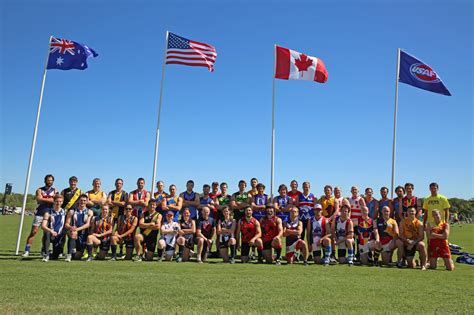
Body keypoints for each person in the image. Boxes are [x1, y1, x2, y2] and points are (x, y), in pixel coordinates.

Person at [23, 174, 58, 258]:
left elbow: (55, 200)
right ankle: (27, 250)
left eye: (51, 180)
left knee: (46, 234)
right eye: (48, 180)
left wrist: (45, 199)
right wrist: (50, 199)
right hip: (40, 213)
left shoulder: (55, 190)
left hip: (50, 214)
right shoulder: (39, 190)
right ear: (45, 180)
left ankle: (43, 250)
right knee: (34, 232)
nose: (50, 182)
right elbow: (39, 199)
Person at [65, 194, 94, 262]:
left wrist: (77, 229)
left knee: (77, 257)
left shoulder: (90, 212)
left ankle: (75, 252)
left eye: (84, 200)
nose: (82, 202)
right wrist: (71, 227)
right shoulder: (72, 211)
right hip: (74, 233)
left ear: (87, 201)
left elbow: (88, 224)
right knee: (73, 233)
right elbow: (66, 224)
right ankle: (69, 255)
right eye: (81, 200)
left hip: (84, 235)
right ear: (78, 201)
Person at [41, 195, 66, 261]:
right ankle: (46, 254)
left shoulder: (65, 212)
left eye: (60, 201)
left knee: (55, 257)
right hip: (51, 233)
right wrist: (51, 231)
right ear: (54, 201)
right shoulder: (48, 212)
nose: (58, 203)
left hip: (59, 235)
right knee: (47, 233)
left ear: (62, 202)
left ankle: (52, 253)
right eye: (57, 201)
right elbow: (43, 226)